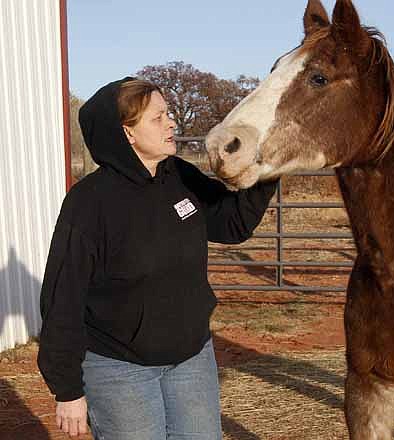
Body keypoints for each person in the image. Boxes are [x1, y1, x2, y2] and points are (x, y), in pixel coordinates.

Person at [37, 77, 277, 439]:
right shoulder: (90, 203)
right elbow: (62, 298)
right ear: (126, 133)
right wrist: (67, 389)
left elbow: (232, 224)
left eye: (168, 114)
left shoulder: (179, 176)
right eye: (158, 117)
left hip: (191, 357)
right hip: (119, 366)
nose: (171, 123)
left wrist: (267, 170)